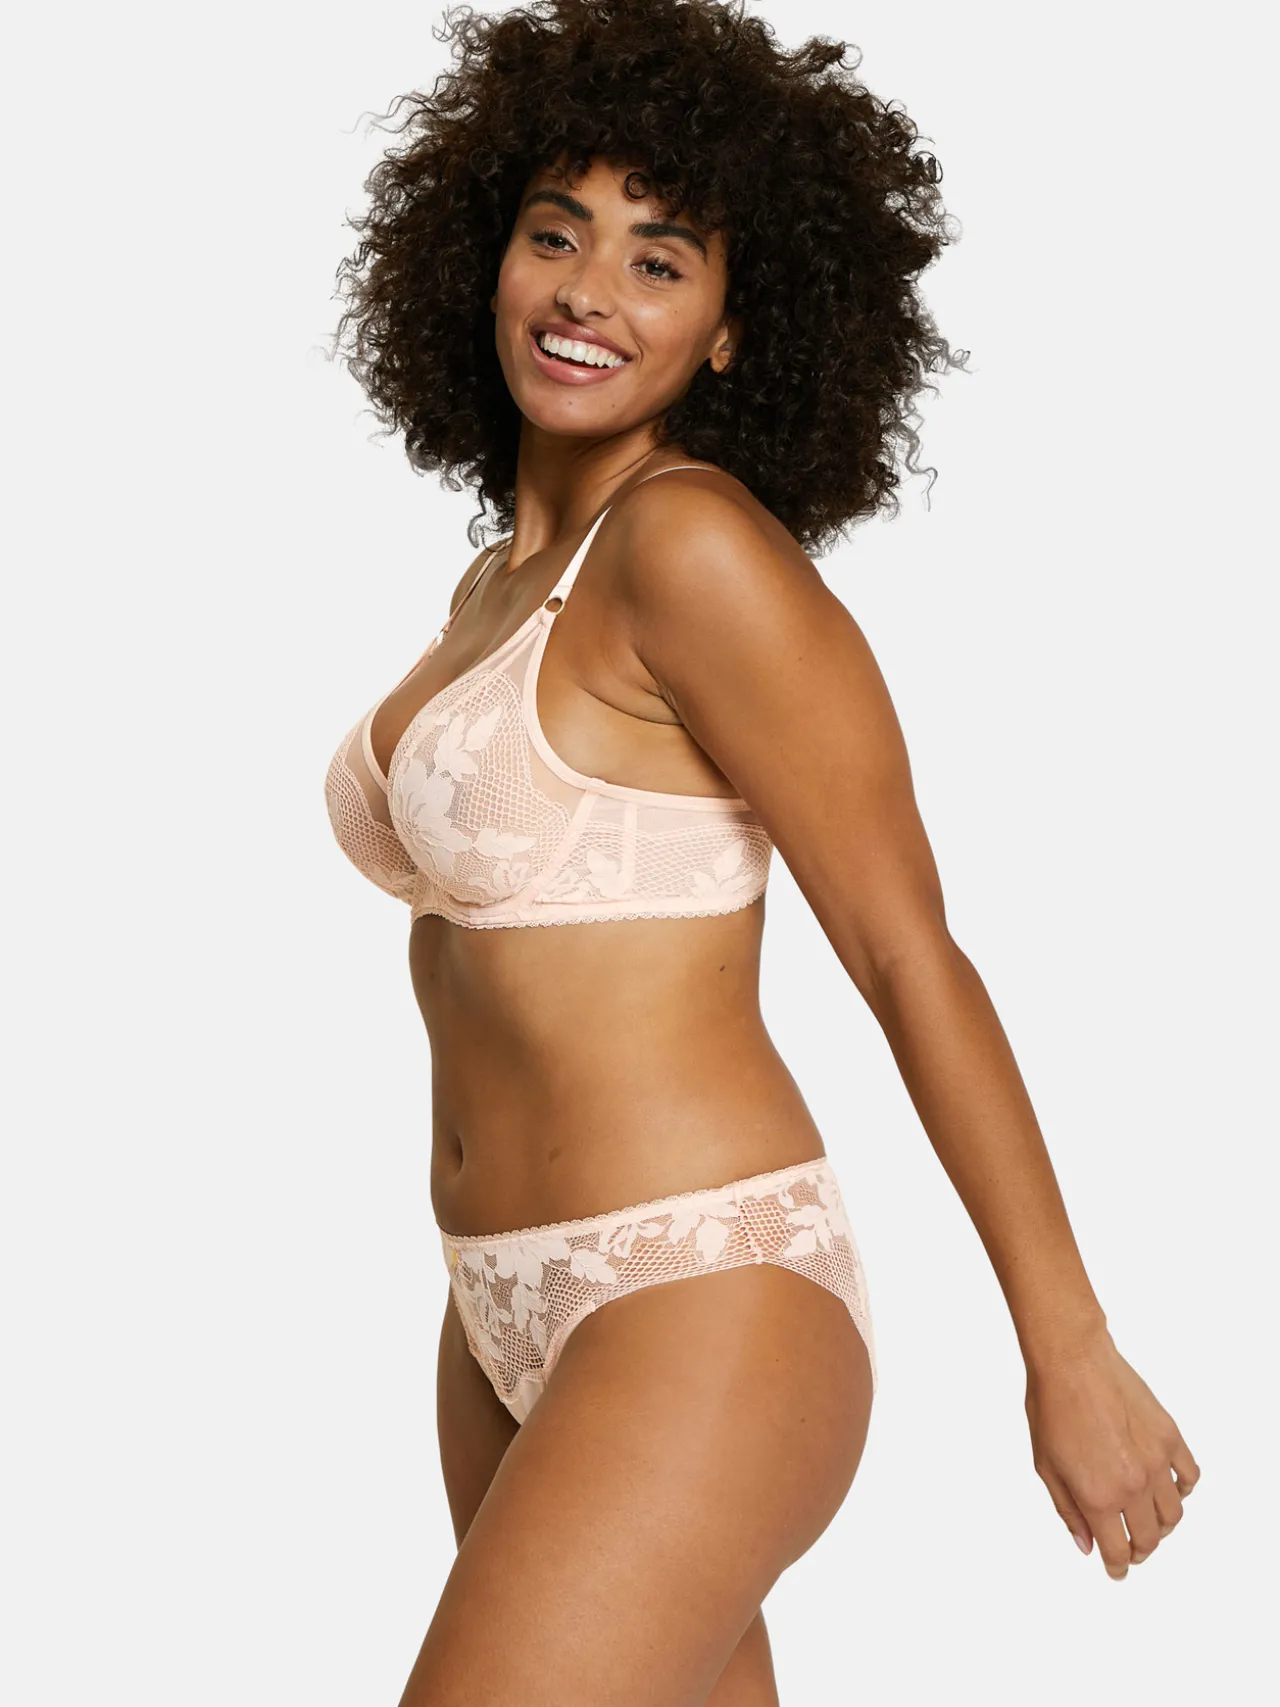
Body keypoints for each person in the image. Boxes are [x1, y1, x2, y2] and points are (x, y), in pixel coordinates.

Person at [323, 2, 1199, 1700]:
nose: (588, 290)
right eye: (556, 234)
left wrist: (1069, 1345)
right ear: (484, 252)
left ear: (735, 328)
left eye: (660, 261)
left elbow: (905, 949)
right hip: (495, 1307)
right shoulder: (497, 585)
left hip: (697, 1292)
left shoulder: (690, 547)